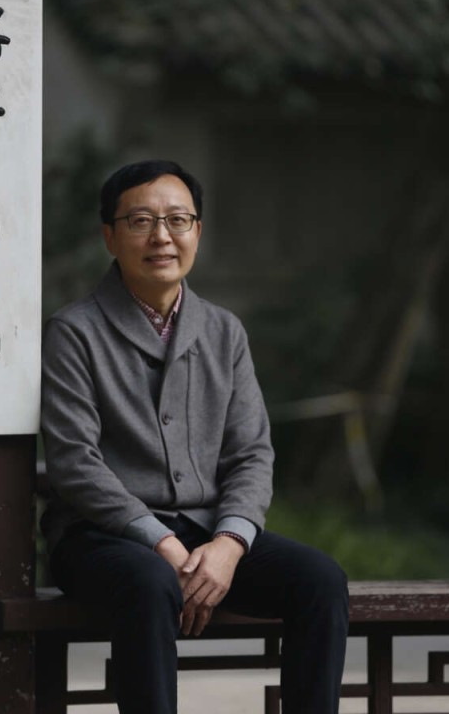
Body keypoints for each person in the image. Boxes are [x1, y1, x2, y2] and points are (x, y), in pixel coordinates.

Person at [41, 159, 348, 714]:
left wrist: (230, 544)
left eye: (177, 220)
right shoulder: (74, 332)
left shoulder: (224, 330)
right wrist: (163, 543)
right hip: (101, 537)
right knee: (149, 581)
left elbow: (251, 453)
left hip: (207, 532)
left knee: (320, 580)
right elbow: (74, 462)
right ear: (109, 236)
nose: (162, 236)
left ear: (197, 232)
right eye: (140, 221)